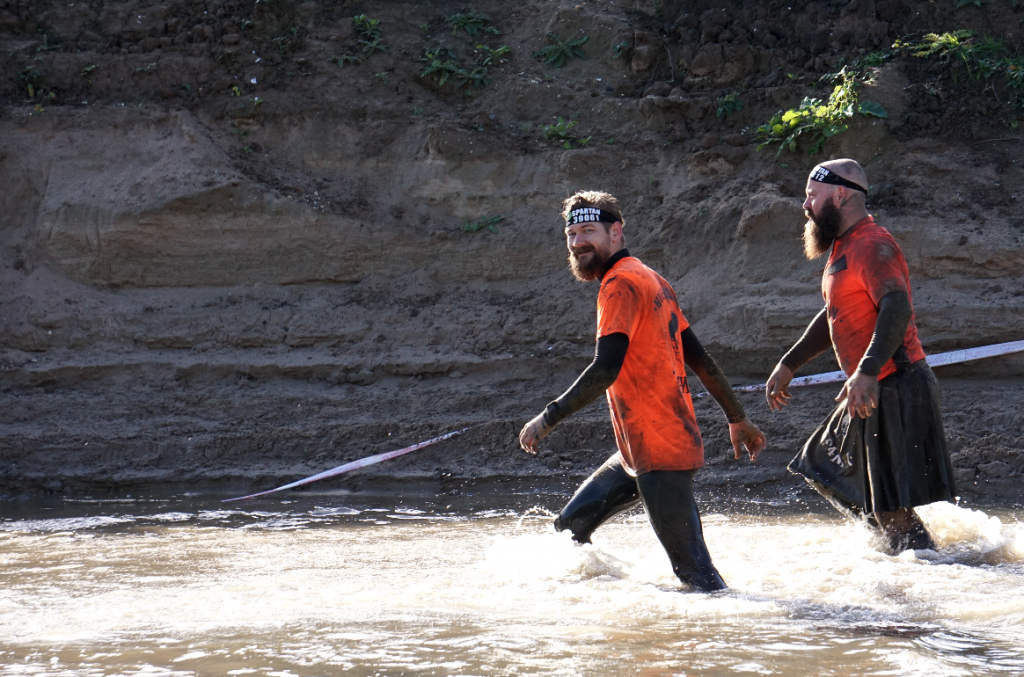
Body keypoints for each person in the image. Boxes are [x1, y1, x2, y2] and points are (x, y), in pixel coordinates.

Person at [518, 191, 767, 592]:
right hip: (638, 447)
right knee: (568, 531)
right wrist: (738, 417)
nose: (578, 242)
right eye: (572, 233)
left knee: (698, 577)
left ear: (616, 232)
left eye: (589, 231)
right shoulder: (652, 278)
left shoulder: (619, 284)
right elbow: (700, 359)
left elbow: (605, 368)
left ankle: (734, 639)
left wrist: (547, 418)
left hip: (659, 448)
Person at [765, 159, 956, 553]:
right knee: (824, 467)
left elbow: (897, 307)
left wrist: (866, 372)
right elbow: (835, 313)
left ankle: (928, 566)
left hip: (894, 382)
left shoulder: (872, 243)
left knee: (886, 502)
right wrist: (789, 362)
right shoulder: (844, 246)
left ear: (839, 194)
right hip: (870, 385)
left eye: (811, 195)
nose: (805, 206)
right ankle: (898, 551)